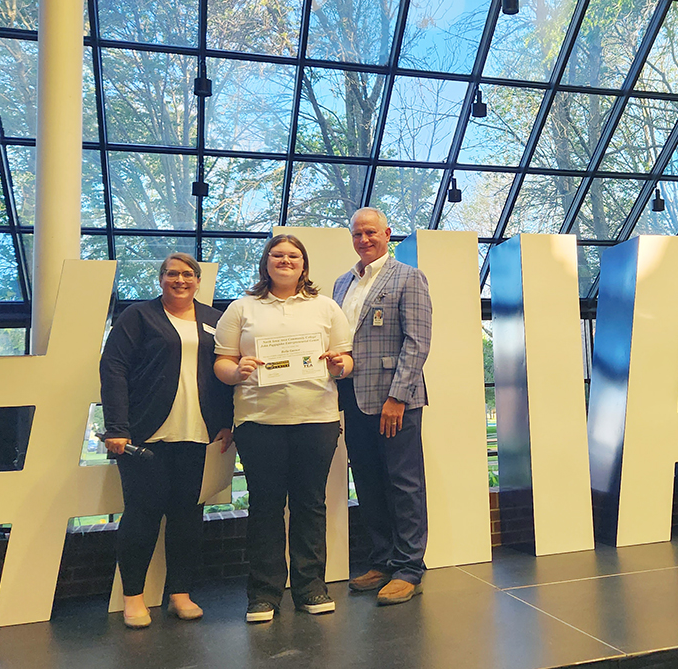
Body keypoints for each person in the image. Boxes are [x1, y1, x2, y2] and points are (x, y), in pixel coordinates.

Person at [214, 234, 353, 623]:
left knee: (311, 504)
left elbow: (345, 360)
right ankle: (263, 594)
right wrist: (235, 370)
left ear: (304, 265)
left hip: (318, 420)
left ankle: (311, 588)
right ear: (266, 262)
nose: (285, 261)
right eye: (278, 255)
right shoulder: (242, 308)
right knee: (265, 507)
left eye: (293, 256)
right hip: (259, 422)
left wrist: (339, 365)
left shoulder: (326, 307)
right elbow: (222, 362)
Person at [100, 253, 234, 629]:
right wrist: (117, 427)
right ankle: (134, 598)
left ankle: (180, 593)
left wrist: (225, 422)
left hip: (198, 434)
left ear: (198, 280)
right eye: (172, 273)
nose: (180, 280)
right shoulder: (138, 317)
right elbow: (113, 369)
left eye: (187, 274)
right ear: (160, 279)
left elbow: (224, 373)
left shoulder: (213, 319)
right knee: (142, 516)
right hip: (145, 435)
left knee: (187, 517)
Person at [333, 207, 432, 606]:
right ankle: (383, 560)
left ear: (387, 234)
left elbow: (417, 342)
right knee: (370, 483)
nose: (364, 240)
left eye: (371, 232)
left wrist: (398, 397)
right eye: (357, 234)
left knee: (404, 484)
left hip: (396, 402)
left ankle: (410, 567)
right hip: (353, 399)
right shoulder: (342, 282)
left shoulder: (409, 277)